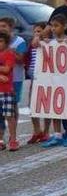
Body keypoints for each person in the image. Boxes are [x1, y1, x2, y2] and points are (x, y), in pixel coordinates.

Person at [40, 15, 67, 148]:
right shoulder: (49, 43)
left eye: (56, 25)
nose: (52, 28)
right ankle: (57, 134)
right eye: (51, 25)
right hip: (54, 79)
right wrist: (43, 43)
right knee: (54, 107)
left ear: (65, 26)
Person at [0, 17, 27, 146]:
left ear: (11, 28)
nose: (1, 28)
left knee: (12, 108)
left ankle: (13, 137)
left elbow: (21, 60)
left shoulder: (19, 41)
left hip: (15, 79)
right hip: (2, 81)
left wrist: (10, 50)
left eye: (4, 26)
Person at [25, 21, 50, 143]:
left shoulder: (49, 44)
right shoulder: (32, 45)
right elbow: (28, 59)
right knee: (32, 105)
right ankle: (37, 130)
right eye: (34, 31)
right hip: (34, 79)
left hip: (45, 80)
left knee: (46, 105)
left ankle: (46, 131)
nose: (36, 34)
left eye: (39, 31)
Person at [0, 31, 18, 151]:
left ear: (6, 43)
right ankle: (1, 140)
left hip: (6, 90)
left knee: (9, 116)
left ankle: (13, 139)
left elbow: (7, 69)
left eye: (1, 41)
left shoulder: (9, 54)